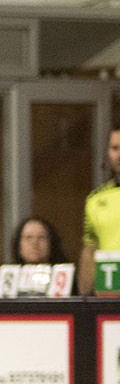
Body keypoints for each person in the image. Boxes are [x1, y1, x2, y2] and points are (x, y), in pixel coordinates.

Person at [78, 123, 120, 295]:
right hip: (108, 299)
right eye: (115, 148)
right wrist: (84, 303)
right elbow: (90, 249)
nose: (119, 154)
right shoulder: (95, 199)